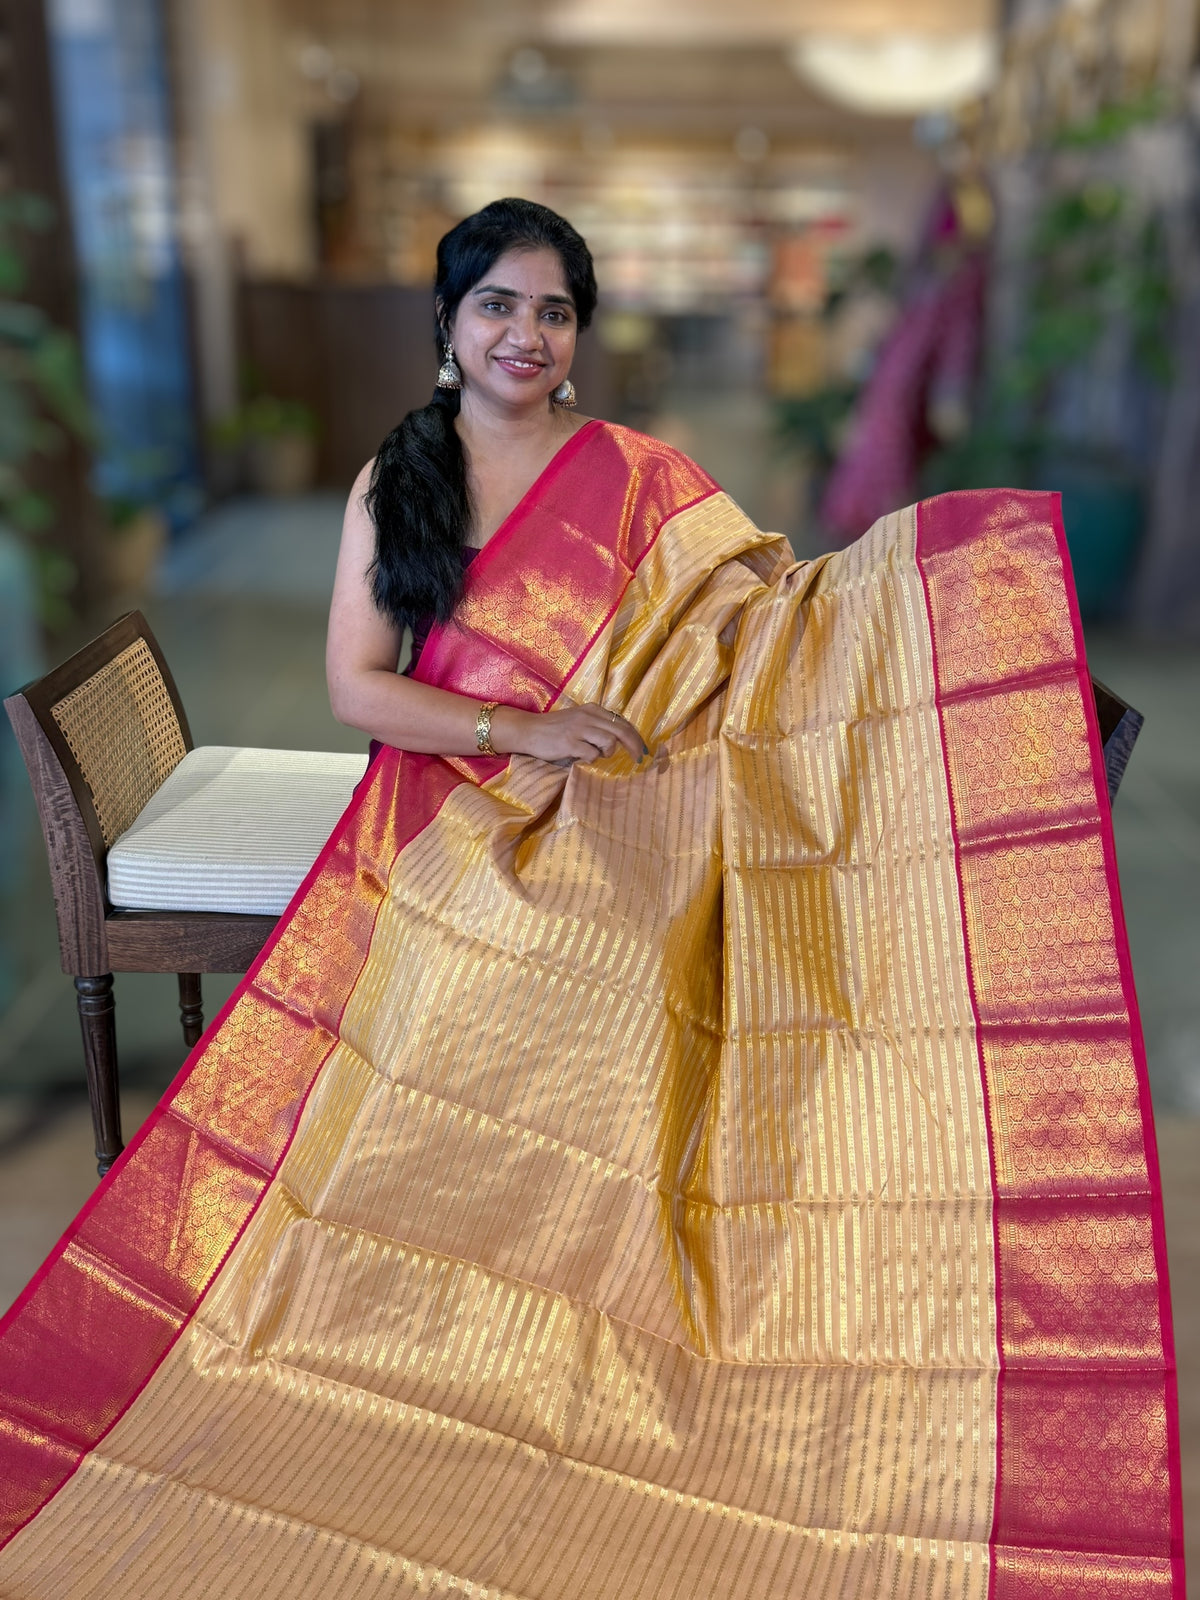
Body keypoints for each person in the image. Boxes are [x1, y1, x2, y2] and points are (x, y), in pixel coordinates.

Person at [0, 199, 1182, 1599]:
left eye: (554, 311)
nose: (526, 334)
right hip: (453, 786)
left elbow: (759, 615)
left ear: (579, 335)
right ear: (450, 322)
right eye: (499, 304)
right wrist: (524, 733)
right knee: (560, 940)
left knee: (700, 907)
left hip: (630, 760)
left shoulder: (636, 473)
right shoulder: (399, 481)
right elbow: (357, 689)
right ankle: (470, 1287)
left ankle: (640, 1292)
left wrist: (915, 618)